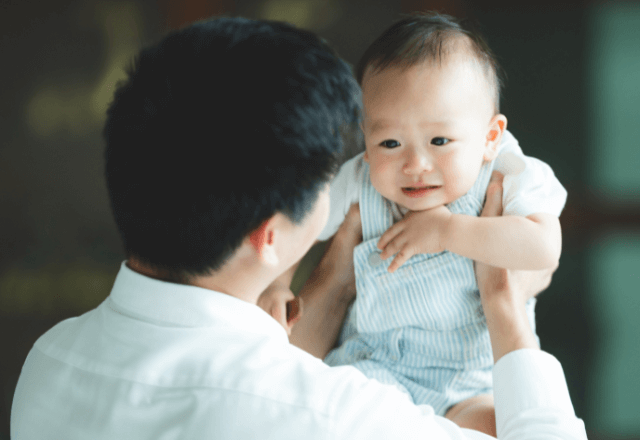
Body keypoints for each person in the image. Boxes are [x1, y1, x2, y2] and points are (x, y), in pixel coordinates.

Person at [10, 16, 587, 439]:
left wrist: (329, 285)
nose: (409, 165)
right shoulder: (338, 416)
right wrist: (506, 312)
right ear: (269, 233)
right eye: (382, 144)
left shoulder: (48, 364)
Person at [259, 13, 567, 436]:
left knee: (503, 428)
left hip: (470, 387)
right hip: (375, 369)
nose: (415, 165)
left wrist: (448, 230)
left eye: (440, 141)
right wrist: (278, 282)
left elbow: (543, 247)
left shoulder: (509, 172)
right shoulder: (358, 181)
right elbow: (296, 221)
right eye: (389, 143)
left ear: (490, 137)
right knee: (329, 416)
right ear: (365, 144)